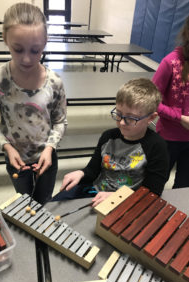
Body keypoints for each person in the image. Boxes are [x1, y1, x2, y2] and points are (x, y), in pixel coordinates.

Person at [0, 3, 67, 204]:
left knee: (44, 202)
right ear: (5, 40)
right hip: (15, 160)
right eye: (17, 49)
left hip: (47, 158)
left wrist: (49, 148)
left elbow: (60, 121)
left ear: (45, 42)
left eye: (36, 50)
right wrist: (7, 147)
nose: (27, 59)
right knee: (24, 202)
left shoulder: (54, 82)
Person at [53, 78, 169, 206]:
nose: (122, 123)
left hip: (130, 201)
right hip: (96, 192)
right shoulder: (108, 136)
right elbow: (92, 170)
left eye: (130, 118)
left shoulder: (157, 146)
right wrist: (81, 173)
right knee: (54, 204)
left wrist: (117, 196)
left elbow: (153, 192)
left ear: (151, 118)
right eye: (118, 114)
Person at [152, 16, 189, 189]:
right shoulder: (170, 62)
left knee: (184, 186)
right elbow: (152, 101)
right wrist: (180, 118)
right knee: (157, 182)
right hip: (169, 138)